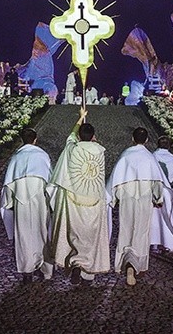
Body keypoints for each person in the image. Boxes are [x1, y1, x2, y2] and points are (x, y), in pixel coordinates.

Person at [47, 108, 109, 285]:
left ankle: (75, 264)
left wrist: (80, 118)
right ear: (94, 136)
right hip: (95, 200)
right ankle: (88, 271)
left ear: (80, 136)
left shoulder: (72, 149)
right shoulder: (100, 152)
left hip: (74, 199)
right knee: (90, 235)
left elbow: (70, 138)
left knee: (76, 234)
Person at [106, 127, 165, 286]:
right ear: (146, 140)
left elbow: (115, 182)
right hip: (144, 201)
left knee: (126, 230)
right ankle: (137, 264)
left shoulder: (125, 157)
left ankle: (126, 261)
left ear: (132, 138)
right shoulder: (150, 159)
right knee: (141, 232)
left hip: (127, 200)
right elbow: (157, 183)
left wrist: (113, 200)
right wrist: (158, 199)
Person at [0, 127, 53, 282]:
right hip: (39, 199)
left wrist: (9, 201)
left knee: (23, 235)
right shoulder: (42, 155)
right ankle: (44, 268)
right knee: (41, 232)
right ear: (35, 139)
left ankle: (27, 270)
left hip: (21, 200)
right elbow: (50, 179)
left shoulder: (17, 157)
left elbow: (9, 183)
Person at [150, 135, 173, 253]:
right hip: (169, 191)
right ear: (169, 146)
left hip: (155, 190)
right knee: (169, 217)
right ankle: (169, 244)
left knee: (155, 217)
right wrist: (172, 182)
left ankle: (154, 244)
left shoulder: (152, 157)